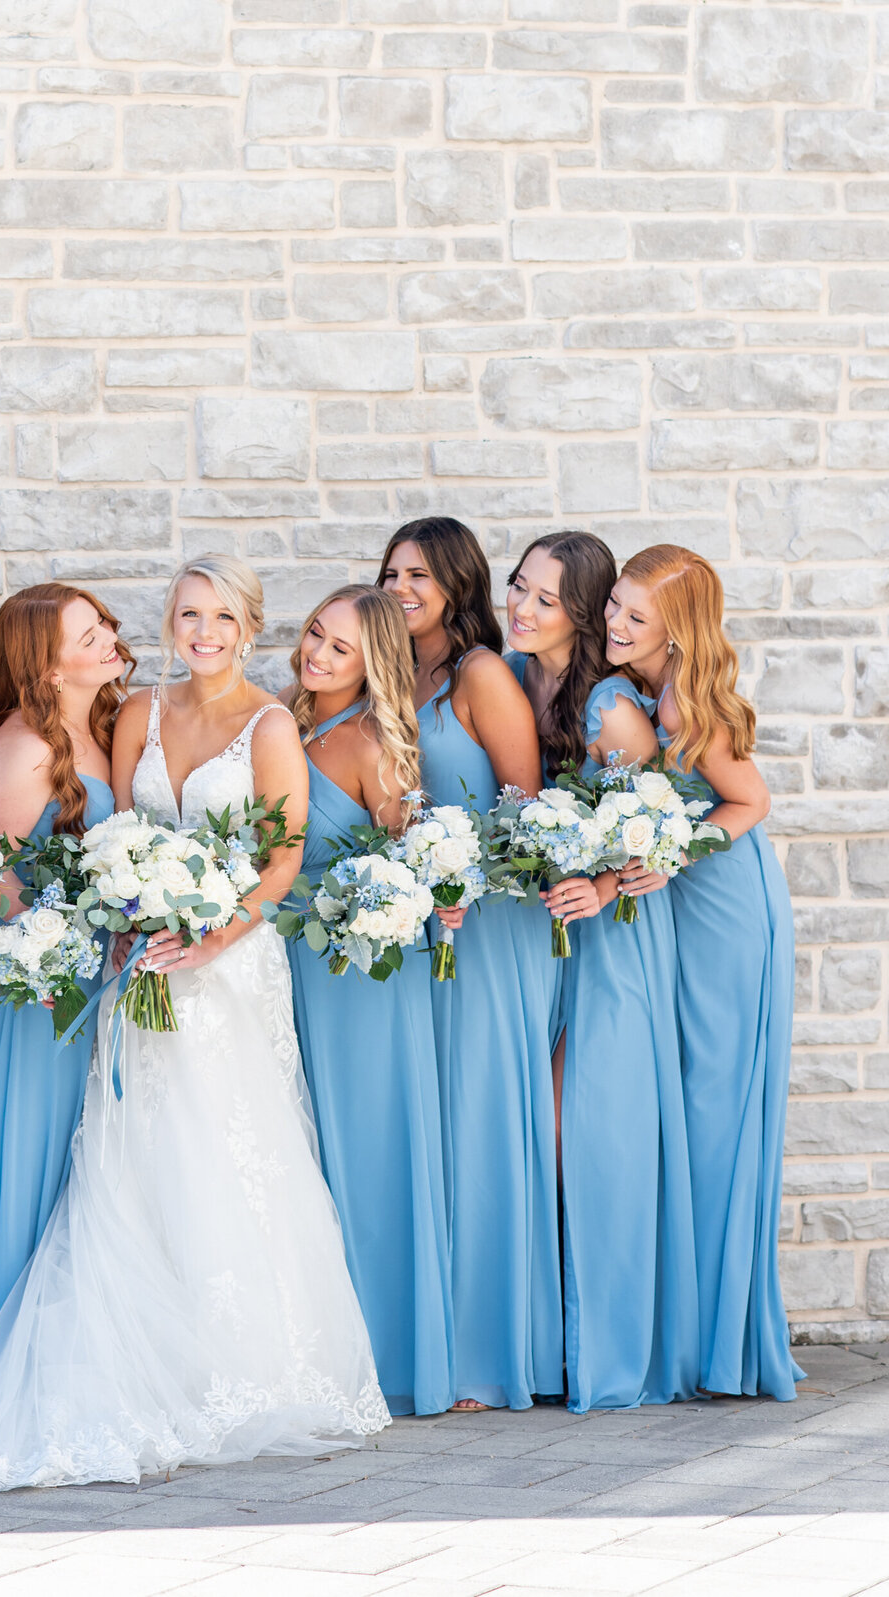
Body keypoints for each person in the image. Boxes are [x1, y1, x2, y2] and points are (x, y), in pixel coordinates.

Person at [0, 556, 388, 1489]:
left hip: (226, 962)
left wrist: (214, 934)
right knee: (136, 1146)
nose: (202, 630)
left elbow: (282, 859)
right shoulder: (138, 714)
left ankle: (247, 1360)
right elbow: (111, 831)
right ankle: (147, 1354)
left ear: (248, 625)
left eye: (221, 615)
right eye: (187, 613)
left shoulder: (270, 723)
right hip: (137, 956)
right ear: (170, 621)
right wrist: (133, 911)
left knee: (231, 1144)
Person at [505, 534, 697, 1414]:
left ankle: (613, 1347)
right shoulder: (511, 675)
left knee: (587, 1133)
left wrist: (607, 881)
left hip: (611, 931)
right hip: (543, 933)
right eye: (520, 588)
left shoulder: (610, 706)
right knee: (538, 1127)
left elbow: (658, 828)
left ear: (579, 615)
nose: (525, 607)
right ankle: (548, 1341)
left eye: (547, 598)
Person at [379, 516, 561, 1412]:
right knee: (434, 1126)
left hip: (491, 924)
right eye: (390, 571)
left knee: (485, 1119)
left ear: (457, 581)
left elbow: (524, 806)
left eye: (418, 572)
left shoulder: (481, 674)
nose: (401, 586)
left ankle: (492, 1351)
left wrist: (466, 875)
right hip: (422, 927)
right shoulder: (387, 673)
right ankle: (433, 1343)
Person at [608, 544, 797, 1402]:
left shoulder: (685, 700)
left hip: (724, 906)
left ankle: (719, 1341)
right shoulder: (641, 689)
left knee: (714, 1107)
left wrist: (671, 848)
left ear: (674, 630)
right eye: (614, 604)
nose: (615, 622)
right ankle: (697, 1323)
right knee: (688, 1107)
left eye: (635, 616)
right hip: (685, 897)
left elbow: (749, 802)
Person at [282, 583, 454, 1418]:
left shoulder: (372, 740)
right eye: (317, 632)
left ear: (373, 663)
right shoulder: (288, 718)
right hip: (293, 968)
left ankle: (391, 1352)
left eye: (340, 647)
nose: (317, 652)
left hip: (364, 973)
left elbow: (410, 856)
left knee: (370, 1150)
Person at [0, 581, 131, 1369]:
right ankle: (13, 1353)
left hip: (103, 972)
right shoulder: (26, 744)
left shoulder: (105, 723)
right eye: (86, 633)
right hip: (43, 986)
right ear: (50, 669)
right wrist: (63, 937)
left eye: (102, 625)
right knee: (37, 1152)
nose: (107, 638)